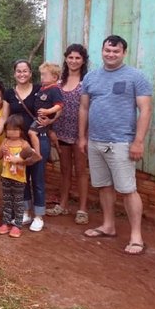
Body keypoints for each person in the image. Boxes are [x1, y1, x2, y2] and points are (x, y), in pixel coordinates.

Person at [79, 35, 152, 255]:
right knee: (103, 186)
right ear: (101, 51)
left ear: (123, 53)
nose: (111, 54)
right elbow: (83, 108)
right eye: (107, 50)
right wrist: (82, 137)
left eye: (116, 51)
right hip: (95, 141)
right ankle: (108, 225)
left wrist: (138, 141)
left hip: (122, 141)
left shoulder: (136, 76)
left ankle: (136, 236)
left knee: (128, 189)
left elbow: (145, 110)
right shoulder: (91, 77)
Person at [0, 59, 55, 232]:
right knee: (21, 178)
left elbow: (53, 109)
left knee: (38, 177)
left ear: (30, 73)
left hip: (38, 138)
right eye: (19, 71)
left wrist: (51, 121)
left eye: (25, 71)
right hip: (16, 143)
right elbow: (4, 118)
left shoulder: (39, 90)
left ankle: (39, 215)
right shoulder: (9, 94)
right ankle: (26, 211)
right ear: (14, 74)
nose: (22, 74)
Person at [46, 44, 89, 223]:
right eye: (70, 57)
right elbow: (51, 108)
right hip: (61, 132)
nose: (73, 61)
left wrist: (83, 136)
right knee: (64, 171)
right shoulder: (59, 83)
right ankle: (62, 205)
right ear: (66, 59)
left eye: (77, 58)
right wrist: (51, 130)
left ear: (83, 60)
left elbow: (87, 108)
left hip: (81, 134)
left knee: (81, 171)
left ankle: (82, 209)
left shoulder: (87, 81)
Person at [0, 114, 40, 238]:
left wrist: (20, 161)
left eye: (15, 129)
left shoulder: (24, 144)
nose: (12, 132)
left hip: (19, 178)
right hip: (6, 176)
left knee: (18, 201)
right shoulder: (5, 141)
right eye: (9, 129)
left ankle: (17, 225)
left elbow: (33, 157)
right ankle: (6, 223)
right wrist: (1, 151)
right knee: (7, 201)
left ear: (21, 130)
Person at [28, 62, 63, 156]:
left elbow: (59, 105)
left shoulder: (54, 89)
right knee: (50, 131)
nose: (42, 77)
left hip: (44, 117)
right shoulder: (43, 88)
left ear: (54, 77)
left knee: (31, 132)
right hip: (41, 116)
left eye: (44, 75)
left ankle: (37, 154)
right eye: (41, 74)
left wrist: (48, 111)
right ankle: (58, 148)